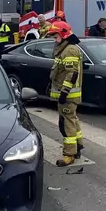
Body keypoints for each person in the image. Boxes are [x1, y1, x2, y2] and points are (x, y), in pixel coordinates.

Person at [46, 21, 84, 167]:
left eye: (56, 37)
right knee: (72, 120)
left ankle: (69, 154)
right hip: (67, 94)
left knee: (66, 123)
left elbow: (72, 74)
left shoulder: (69, 50)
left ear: (63, 35)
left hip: (68, 95)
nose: (54, 40)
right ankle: (78, 146)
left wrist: (64, 92)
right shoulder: (65, 49)